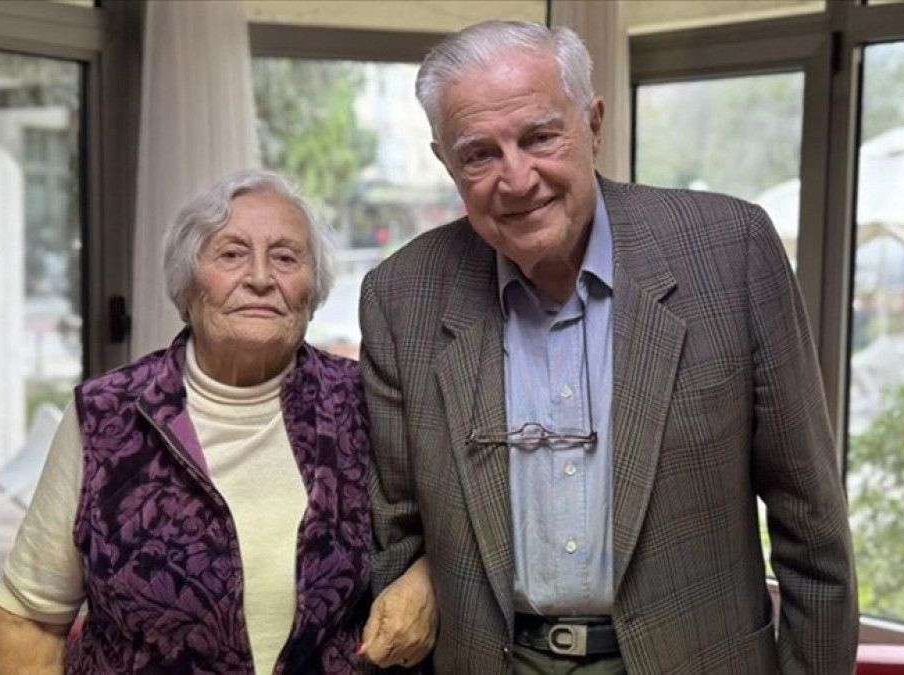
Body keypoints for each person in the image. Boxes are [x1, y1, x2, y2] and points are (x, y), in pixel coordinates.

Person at [360, 20, 858, 674]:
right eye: (479, 153)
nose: (517, 178)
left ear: (593, 125)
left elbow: (812, 532)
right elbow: (397, 542)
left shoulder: (730, 251)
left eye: (540, 137)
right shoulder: (401, 296)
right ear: (446, 162)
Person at [0, 169, 434, 674]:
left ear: (313, 288)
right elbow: (25, 621)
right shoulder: (105, 415)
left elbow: (454, 531)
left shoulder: (364, 401)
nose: (260, 277)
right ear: (188, 286)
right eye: (232, 254)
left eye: (285, 257)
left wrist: (427, 580)